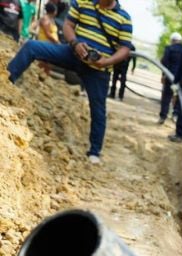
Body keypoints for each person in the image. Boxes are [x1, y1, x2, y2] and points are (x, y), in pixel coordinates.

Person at [5, 0, 132, 164]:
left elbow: (125, 49)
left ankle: (94, 151)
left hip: (99, 69)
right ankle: (5, 84)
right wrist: (75, 42)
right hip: (71, 53)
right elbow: (68, 25)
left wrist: (106, 62)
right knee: (31, 47)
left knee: (98, 109)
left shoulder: (124, 18)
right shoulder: (83, 2)